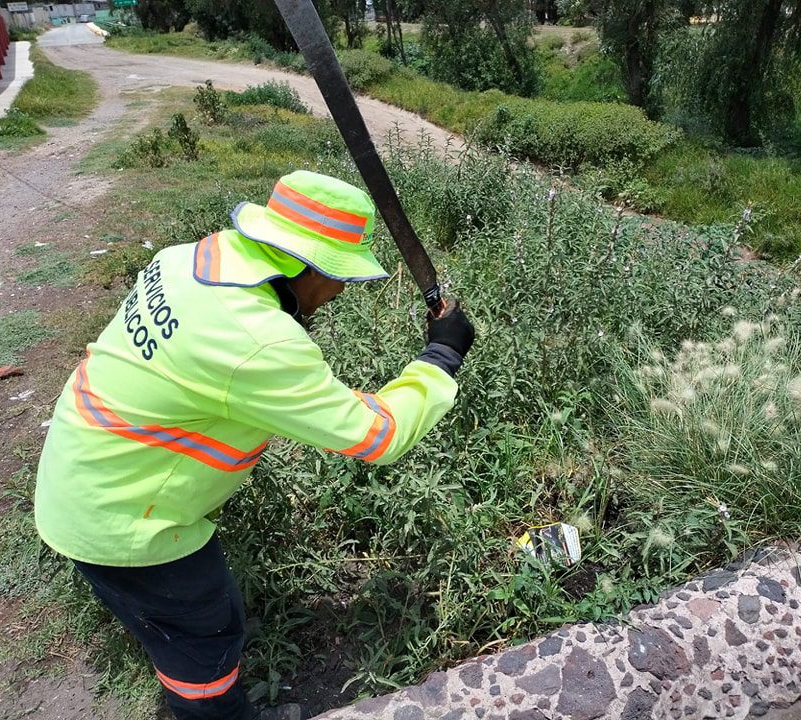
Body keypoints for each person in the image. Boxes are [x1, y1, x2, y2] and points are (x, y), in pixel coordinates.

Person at [33, 170, 475, 720]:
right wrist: (440, 360)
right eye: (338, 276)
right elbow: (377, 435)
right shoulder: (256, 341)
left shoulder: (185, 259)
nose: (338, 292)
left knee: (179, 628)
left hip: (85, 470)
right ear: (303, 265)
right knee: (204, 634)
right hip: (126, 522)